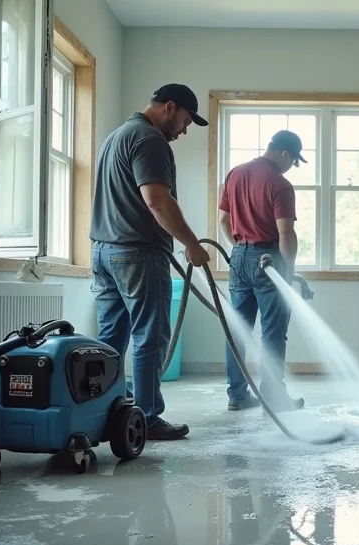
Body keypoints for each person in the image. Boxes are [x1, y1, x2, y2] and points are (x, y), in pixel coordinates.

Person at [89, 83, 211, 440]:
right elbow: (157, 200)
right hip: (137, 253)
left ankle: (106, 406)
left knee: (111, 336)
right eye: (186, 120)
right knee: (150, 337)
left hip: (103, 251)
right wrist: (191, 244)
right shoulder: (149, 139)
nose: (185, 130)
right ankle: (147, 417)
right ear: (169, 107)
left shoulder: (115, 137)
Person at [216, 130, 307, 413]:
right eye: (293, 161)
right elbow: (286, 235)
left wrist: (240, 249)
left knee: (238, 331)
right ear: (284, 154)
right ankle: (273, 397)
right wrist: (288, 271)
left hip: (238, 256)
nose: (291, 166)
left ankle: (237, 395)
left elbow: (223, 220)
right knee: (273, 333)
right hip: (268, 259)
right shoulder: (280, 184)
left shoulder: (235, 174)